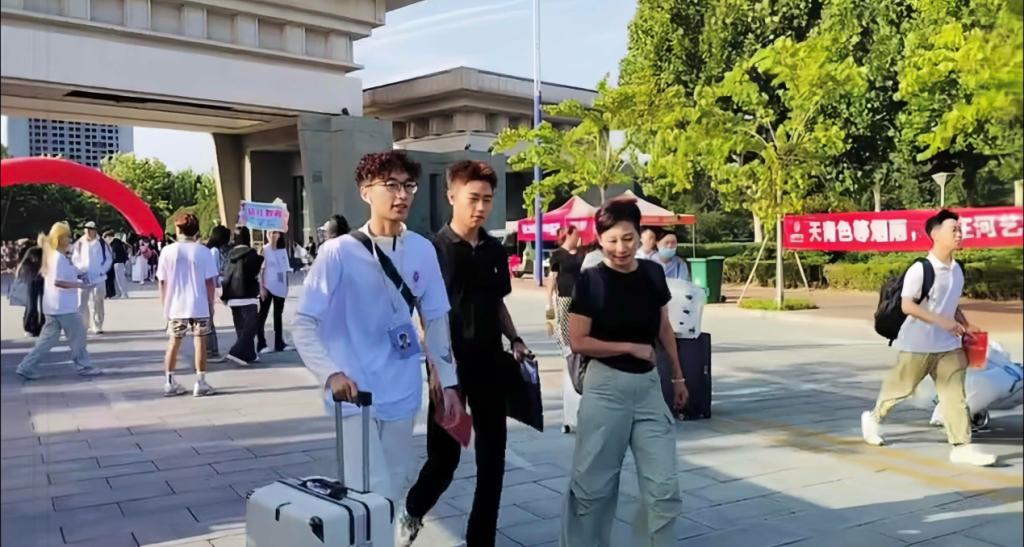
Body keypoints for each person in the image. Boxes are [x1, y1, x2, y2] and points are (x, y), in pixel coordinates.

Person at [292, 150, 463, 505]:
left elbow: (436, 320)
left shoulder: (422, 249)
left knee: (395, 486)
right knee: (368, 491)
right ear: (365, 192)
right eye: (391, 185)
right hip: (354, 392)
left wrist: (448, 382)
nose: (402, 195)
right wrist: (330, 373)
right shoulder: (338, 252)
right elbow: (304, 323)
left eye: (409, 186)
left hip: (403, 387)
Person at [401, 161, 531, 547]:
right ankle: (413, 510)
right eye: (473, 198)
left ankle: (480, 540)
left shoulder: (494, 249)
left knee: (492, 462)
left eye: (487, 199)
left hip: (490, 363)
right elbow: (423, 313)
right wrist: (436, 367)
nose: (480, 207)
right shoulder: (432, 250)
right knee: (444, 460)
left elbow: (497, 303)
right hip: (449, 369)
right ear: (452, 196)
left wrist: (515, 339)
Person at [561, 198, 686, 547]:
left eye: (628, 238)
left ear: (640, 235)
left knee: (664, 489)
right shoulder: (590, 281)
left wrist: (678, 376)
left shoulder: (652, 274)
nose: (621, 248)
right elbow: (578, 341)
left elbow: (664, 328)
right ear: (600, 239)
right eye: (612, 240)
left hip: (648, 390)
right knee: (592, 490)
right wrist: (628, 347)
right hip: (605, 389)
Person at [861, 209, 996, 466]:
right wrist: (944, 322)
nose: (959, 234)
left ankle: (961, 447)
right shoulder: (921, 269)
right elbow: (907, 305)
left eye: (960, 229)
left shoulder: (957, 270)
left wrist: (965, 324)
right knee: (901, 389)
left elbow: (950, 304)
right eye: (953, 230)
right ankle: (873, 418)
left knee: (955, 396)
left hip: (949, 346)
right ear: (935, 234)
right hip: (918, 344)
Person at [16, 222, 103, 380]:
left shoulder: (54, 256)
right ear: (60, 238)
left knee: (46, 341)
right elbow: (58, 281)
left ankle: (26, 366)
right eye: (67, 236)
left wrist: (79, 275)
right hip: (64, 307)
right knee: (78, 336)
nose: (69, 239)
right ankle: (84, 366)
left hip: (53, 306)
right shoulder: (58, 258)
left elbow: (64, 275)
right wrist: (80, 285)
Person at [157, 213, 219, 397]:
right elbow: (210, 282)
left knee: (174, 342)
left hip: (176, 304)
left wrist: (164, 304)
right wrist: (211, 303)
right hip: (199, 303)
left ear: (178, 229)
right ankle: (200, 382)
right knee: (200, 341)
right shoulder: (203, 251)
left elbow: (162, 281)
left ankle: (169, 382)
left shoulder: (167, 251)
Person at [547, 225, 585, 434]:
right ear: (568, 235)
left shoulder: (581, 253)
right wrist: (549, 303)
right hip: (564, 298)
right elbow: (552, 279)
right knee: (565, 334)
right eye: (576, 233)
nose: (578, 237)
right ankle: (568, 351)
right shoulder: (557, 255)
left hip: (581, 297)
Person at [222, 226, 264, 366]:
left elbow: (226, 275)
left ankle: (249, 354)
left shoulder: (229, 255)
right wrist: (260, 256)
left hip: (233, 295)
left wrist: (225, 294)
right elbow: (255, 271)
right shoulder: (251, 254)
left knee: (240, 326)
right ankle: (236, 352)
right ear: (248, 238)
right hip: (248, 294)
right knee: (251, 327)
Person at [71, 221, 112, 334]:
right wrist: (80, 270)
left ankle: (97, 325)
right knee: (81, 302)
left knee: (97, 301)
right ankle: (83, 325)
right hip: (83, 277)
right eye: (86, 229)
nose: (88, 231)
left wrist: (102, 270)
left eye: (91, 229)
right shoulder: (79, 243)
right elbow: (75, 259)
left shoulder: (102, 243)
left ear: (95, 230)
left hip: (98, 277)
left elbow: (108, 259)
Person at [256, 230, 294, 354]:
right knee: (262, 315)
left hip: (280, 287)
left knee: (278, 315)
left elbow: (285, 269)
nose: (273, 235)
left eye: (276, 233)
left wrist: (286, 286)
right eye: (271, 233)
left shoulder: (282, 251)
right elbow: (260, 271)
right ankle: (261, 344)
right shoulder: (264, 250)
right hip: (267, 287)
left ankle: (279, 343)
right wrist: (261, 287)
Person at [205, 225, 232, 362]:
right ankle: (211, 351)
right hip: (209, 289)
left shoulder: (209, 249)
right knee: (209, 320)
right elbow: (213, 272)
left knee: (208, 320)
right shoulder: (214, 251)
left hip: (207, 288)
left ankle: (212, 350)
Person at [16, 244, 45, 337]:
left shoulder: (48, 252)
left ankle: (40, 328)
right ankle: (30, 327)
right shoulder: (32, 250)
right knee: (32, 305)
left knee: (42, 306)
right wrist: (18, 276)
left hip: (43, 280)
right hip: (31, 280)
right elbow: (22, 263)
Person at [107, 231, 131, 298]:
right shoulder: (117, 242)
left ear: (109, 237)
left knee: (120, 279)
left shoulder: (115, 243)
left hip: (118, 262)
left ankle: (124, 293)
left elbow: (114, 254)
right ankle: (120, 293)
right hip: (118, 262)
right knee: (118, 279)